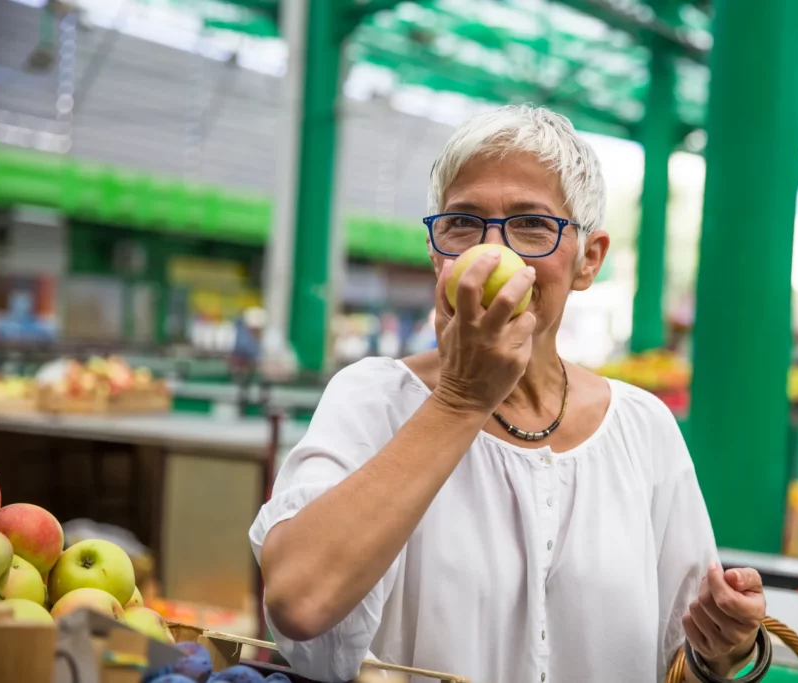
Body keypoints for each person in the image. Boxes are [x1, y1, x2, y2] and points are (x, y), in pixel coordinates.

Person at [250, 105, 767, 683]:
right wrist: (460, 400)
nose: (495, 253)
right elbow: (298, 603)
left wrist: (721, 647)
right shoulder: (374, 398)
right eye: (463, 223)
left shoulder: (641, 428)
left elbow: (684, 657)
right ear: (435, 249)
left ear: (588, 260)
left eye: (531, 225)